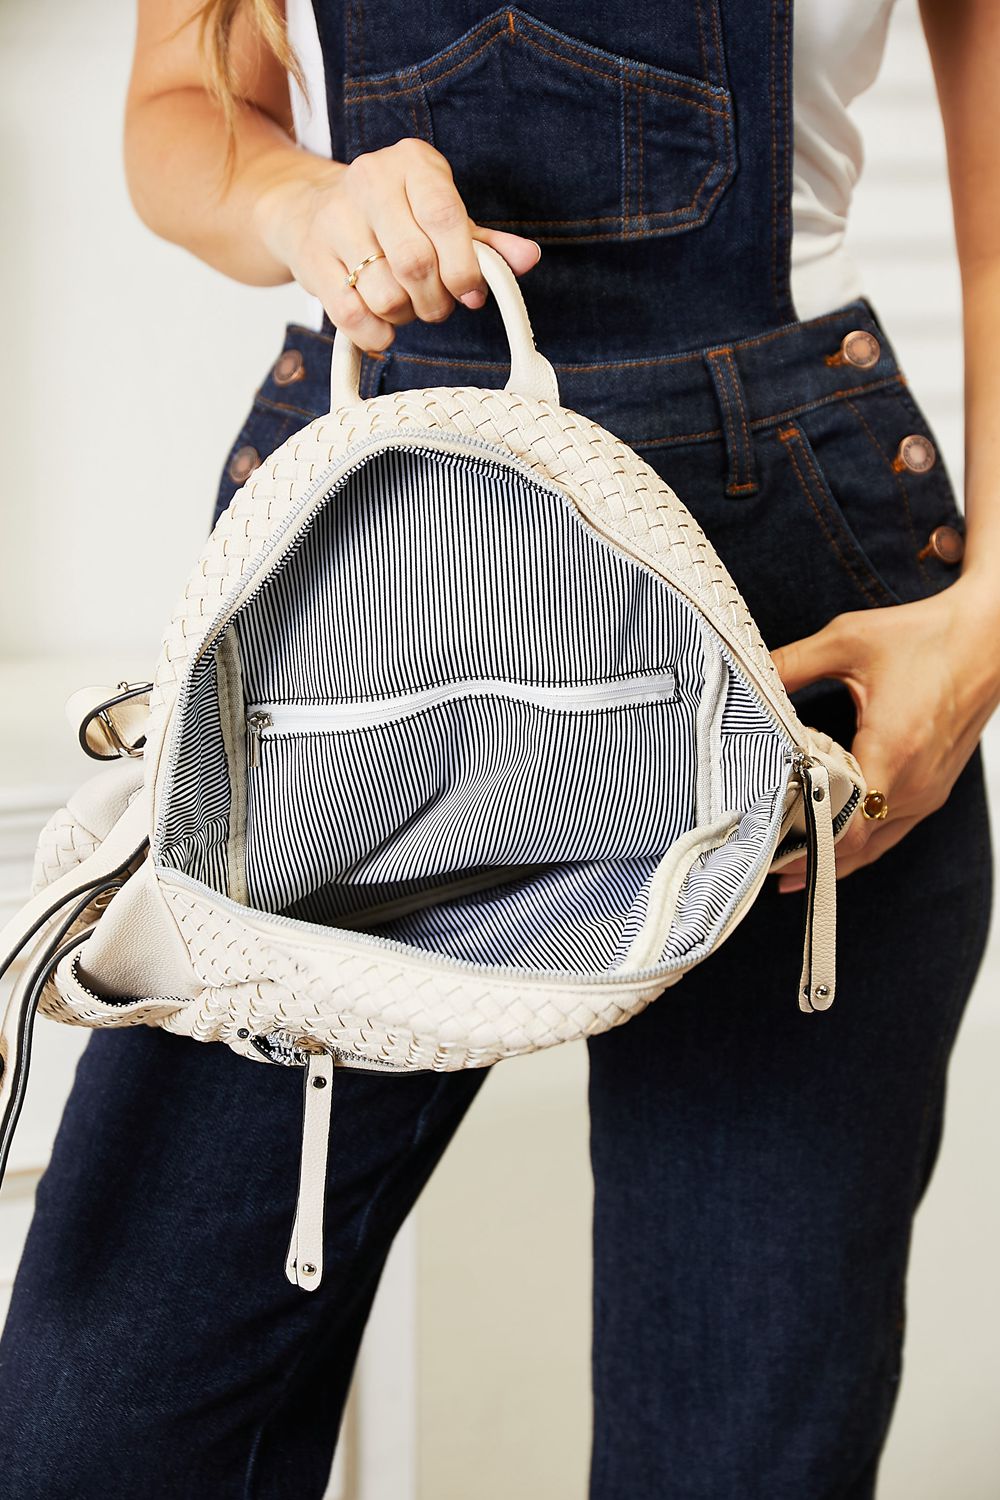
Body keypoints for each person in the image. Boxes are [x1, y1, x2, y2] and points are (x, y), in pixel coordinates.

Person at [0, 1, 996, 1495]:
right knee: (101, 1430)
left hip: (791, 591)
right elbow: (179, 102)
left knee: (741, 1447)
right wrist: (303, 199)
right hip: (359, 577)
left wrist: (990, 627)